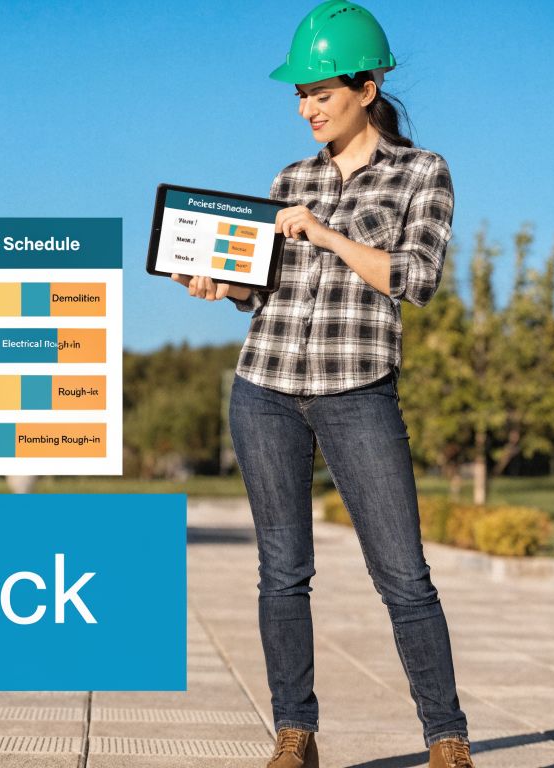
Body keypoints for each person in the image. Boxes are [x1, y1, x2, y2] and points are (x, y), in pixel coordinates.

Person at [170, 2, 473, 766]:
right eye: (299, 95)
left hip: (357, 389)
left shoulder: (421, 173)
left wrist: (329, 233)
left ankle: (447, 741)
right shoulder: (290, 177)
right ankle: (294, 735)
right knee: (282, 574)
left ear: (367, 88)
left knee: (404, 575)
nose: (307, 108)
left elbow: (416, 278)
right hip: (264, 387)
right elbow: (264, 289)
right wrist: (220, 285)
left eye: (322, 93)